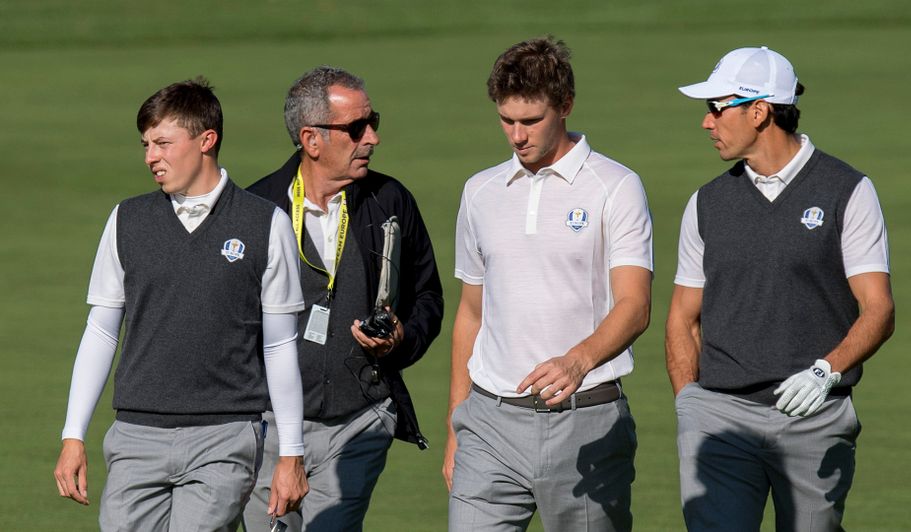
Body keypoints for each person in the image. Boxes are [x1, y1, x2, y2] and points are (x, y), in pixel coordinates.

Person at [52, 78, 309, 531]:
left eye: (163, 143)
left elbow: (279, 346)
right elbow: (101, 330)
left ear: (206, 140)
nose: (151, 156)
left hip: (225, 436)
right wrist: (73, 435)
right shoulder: (126, 220)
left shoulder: (266, 224)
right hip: (135, 437)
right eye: (146, 144)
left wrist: (291, 454)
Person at [666, 46, 896, 531]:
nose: (707, 123)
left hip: (815, 417)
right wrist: (690, 403)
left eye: (716, 109)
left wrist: (824, 372)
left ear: (759, 110)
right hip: (719, 421)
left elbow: (878, 309)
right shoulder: (706, 203)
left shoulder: (847, 190)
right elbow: (683, 316)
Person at [444, 36, 654, 531]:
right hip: (488, 425)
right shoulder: (480, 192)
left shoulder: (617, 187)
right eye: (506, 120)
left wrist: (577, 359)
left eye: (531, 121)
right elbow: (471, 313)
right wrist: (457, 425)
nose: (517, 135)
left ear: (565, 106)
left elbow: (635, 303)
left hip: (586, 421)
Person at [241, 66, 444, 532]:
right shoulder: (256, 209)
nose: (371, 138)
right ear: (312, 140)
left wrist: (400, 339)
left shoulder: (391, 200)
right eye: (356, 128)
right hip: (268, 424)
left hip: (360, 418)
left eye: (374, 122)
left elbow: (428, 295)